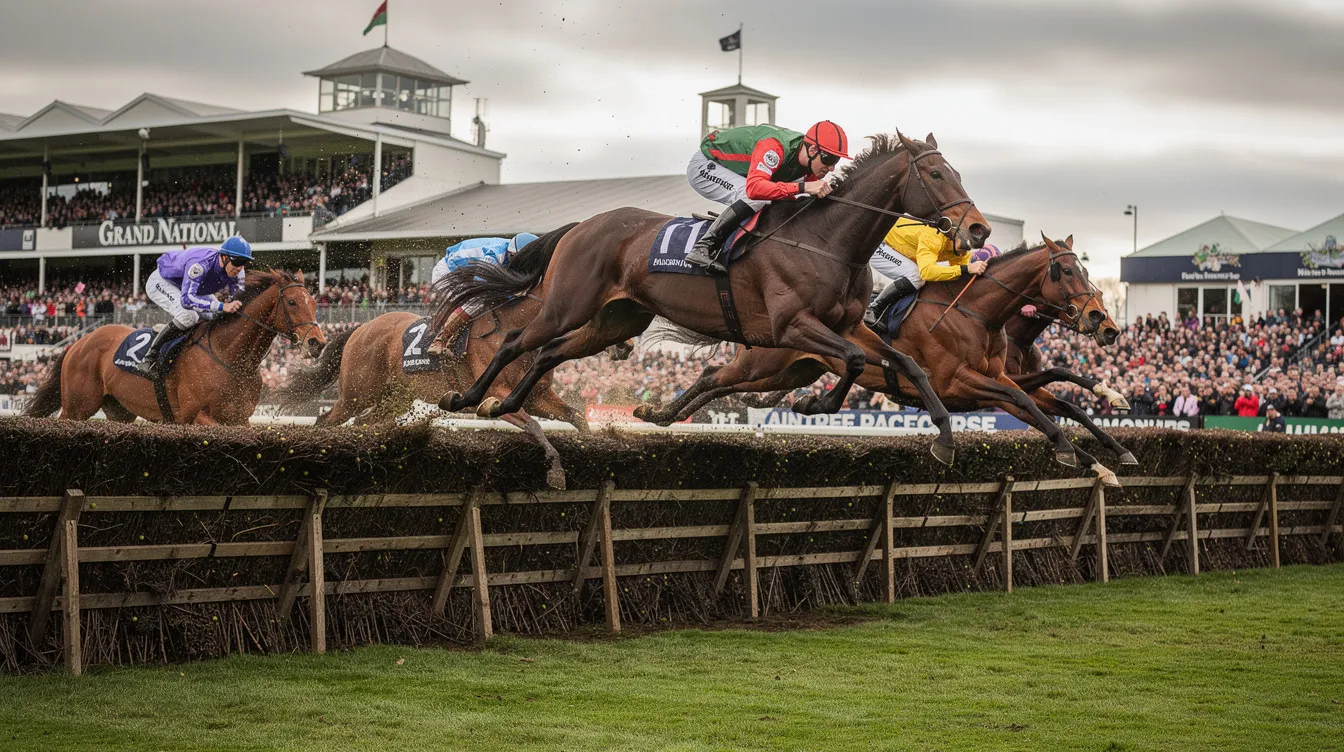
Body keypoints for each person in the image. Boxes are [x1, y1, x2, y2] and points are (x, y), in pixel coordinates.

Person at [684, 121, 849, 273]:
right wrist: (802, 187)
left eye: (837, 160)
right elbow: (754, 189)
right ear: (812, 150)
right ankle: (703, 247)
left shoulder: (809, 165)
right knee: (757, 196)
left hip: (736, 170)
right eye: (830, 159)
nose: (832, 167)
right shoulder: (774, 147)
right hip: (706, 166)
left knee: (782, 197)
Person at [138, 236, 252, 375]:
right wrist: (222, 306)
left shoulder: (239, 271)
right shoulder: (200, 265)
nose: (240, 267)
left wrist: (229, 308)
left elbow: (237, 299)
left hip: (194, 288)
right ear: (224, 257)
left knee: (217, 316)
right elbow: (187, 300)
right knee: (189, 316)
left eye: (244, 262)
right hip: (164, 282)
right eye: (238, 262)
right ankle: (149, 357)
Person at [863, 223, 990, 333]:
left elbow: (956, 276)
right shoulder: (934, 236)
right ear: (955, 234)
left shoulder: (961, 252)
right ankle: (873, 309)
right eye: (962, 245)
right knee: (916, 276)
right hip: (880, 244)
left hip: (901, 251)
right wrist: (965, 269)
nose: (961, 251)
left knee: (920, 277)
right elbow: (927, 272)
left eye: (967, 248)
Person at [426, 233, 539, 354]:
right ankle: (441, 339)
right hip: (448, 271)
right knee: (476, 302)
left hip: (467, 272)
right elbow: (479, 287)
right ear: (513, 255)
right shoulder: (494, 256)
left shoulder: (514, 251)